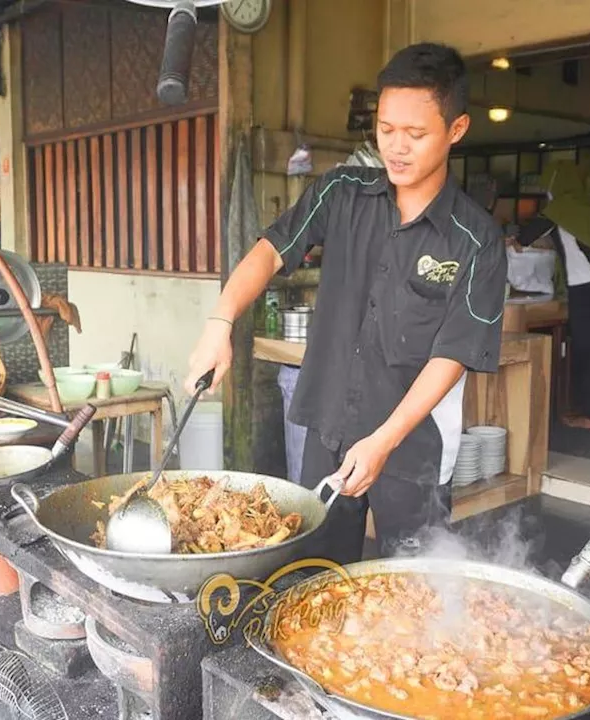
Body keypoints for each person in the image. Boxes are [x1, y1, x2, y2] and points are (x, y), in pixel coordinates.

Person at [185, 43, 507, 565]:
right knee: (316, 575)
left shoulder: (476, 240)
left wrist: (382, 441)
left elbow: (453, 355)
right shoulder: (342, 192)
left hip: (413, 445)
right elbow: (270, 252)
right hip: (330, 427)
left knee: (414, 590)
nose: (396, 148)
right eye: (385, 130)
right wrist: (219, 322)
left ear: (457, 129)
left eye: (416, 134)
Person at [513, 161, 590, 430]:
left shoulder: (559, 209)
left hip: (585, 284)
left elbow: (524, 238)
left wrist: (515, 242)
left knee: (588, 349)